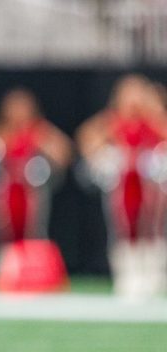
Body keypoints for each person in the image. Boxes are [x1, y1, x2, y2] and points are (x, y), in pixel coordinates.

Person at [77, 74, 167, 298]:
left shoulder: (152, 120)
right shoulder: (113, 121)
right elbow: (86, 137)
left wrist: (154, 111)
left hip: (151, 188)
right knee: (124, 228)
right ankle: (126, 275)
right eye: (128, 94)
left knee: (153, 228)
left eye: (137, 94)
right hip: (124, 187)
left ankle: (155, 274)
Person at [0, 88, 72, 244]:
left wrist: (41, 141)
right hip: (4, 194)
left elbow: (65, 153)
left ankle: (32, 262)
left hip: (32, 193)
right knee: (3, 234)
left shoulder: (41, 130)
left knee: (35, 231)